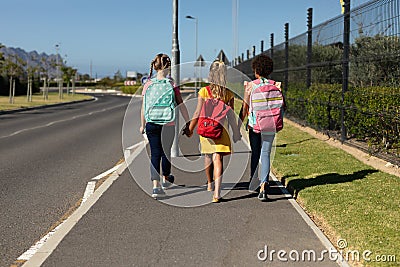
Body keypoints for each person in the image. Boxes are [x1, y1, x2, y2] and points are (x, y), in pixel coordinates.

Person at [186, 60, 241, 203]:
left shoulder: (204, 91)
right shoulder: (228, 94)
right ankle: (217, 194)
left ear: (210, 74)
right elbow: (231, 115)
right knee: (218, 159)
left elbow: (197, 112)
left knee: (207, 156)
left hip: (206, 128)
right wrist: (235, 132)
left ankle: (209, 183)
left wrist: (191, 128)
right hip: (221, 130)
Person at [140, 53, 190, 199]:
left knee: (155, 154)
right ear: (168, 67)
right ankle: (166, 177)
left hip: (151, 123)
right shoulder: (171, 84)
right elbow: (180, 104)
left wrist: (142, 125)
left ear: (155, 67)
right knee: (165, 153)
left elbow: (143, 107)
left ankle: (155, 187)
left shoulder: (148, 84)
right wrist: (188, 122)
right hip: (168, 123)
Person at [239, 54, 282, 201]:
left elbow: (245, 107)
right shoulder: (275, 85)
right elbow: (283, 106)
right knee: (266, 154)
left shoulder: (251, 86)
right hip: (271, 124)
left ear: (256, 70)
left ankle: (254, 181)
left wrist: (239, 122)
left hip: (255, 124)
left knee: (255, 153)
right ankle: (265, 185)